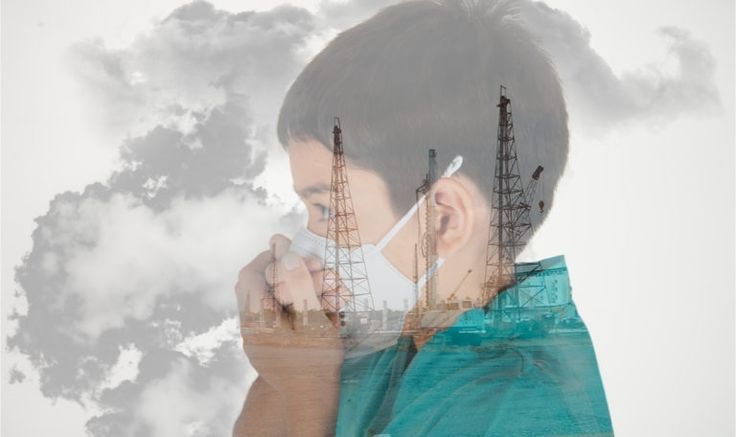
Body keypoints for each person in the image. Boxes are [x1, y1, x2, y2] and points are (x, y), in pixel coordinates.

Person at [233, 0, 613, 435]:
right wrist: (281, 368)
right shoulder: (387, 344)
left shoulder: (512, 407)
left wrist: (305, 387)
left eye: (326, 210)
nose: (304, 244)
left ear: (444, 221)